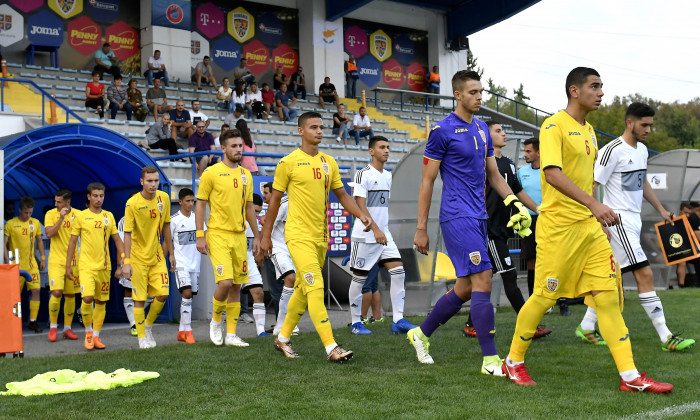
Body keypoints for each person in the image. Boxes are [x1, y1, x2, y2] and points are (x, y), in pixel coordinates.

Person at [501, 67, 673, 393]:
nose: (601, 92)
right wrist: (596, 206)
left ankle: (630, 376)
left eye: (602, 86)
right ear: (574, 90)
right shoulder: (553, 126)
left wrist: (595, 217)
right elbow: (552, 174)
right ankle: (513, 361)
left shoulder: (591, 132)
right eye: (594, 86)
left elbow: (586, 182)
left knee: (608, 298)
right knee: (544, 297)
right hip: (558, 230)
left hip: (589, 230)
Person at [410, 70, 531, 375]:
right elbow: (427, 182)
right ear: (458, 95)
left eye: (481, 92)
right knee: (484, 279)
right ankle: (490, 360)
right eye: (474, 92)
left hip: (480, 217)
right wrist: (421, 228)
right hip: (456, 216)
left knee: (465, 287)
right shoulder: (441, 131)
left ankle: (420, 334)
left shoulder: (481, 129)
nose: (479, 97)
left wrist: (515, 203)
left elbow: (495, 176)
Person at [573, 102, 694, 352]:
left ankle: (586, 325)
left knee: (609, 278)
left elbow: (643, 182)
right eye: (644, 124)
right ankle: (666, 337)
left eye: (651, 124)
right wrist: (598, 218)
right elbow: (592, 186)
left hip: (633, 220)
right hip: (617, 221)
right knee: (645, 274)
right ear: (630, 123)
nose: (649, 129)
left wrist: (661, 210)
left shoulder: (641, 151)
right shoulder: (612, 151)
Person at [260, 111, 373, 362]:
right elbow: (275, 202)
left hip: (322, 238)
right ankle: (331, 347)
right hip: (297, 236)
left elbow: (343, 196)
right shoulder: (288, 163)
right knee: (316, 287)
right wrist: (265, 237)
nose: (319, 131)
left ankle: (283, 338)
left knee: (302, 289)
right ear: (301, 131)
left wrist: (361, 215)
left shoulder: (328, 162)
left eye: (321, 127)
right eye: (313, 127)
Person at [461, 122, 548, 339]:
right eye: (498, 131)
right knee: (509, 277)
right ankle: (530, 326)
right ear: (487, 136)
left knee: (482, 279)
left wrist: (539, 210)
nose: (504, 133)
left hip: (502, 229)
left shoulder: (508, 164)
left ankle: (470, 324)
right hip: (488, 230)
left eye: (503, 130)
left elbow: (516, 192)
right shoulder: (480, 162)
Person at [196, 128, 260, 347]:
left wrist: (258, 236)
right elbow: (200, 204)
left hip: (239, 236)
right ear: (222, 148)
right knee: (225, 282)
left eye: (240, 146)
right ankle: (216, 321)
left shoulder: (246, 175)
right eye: (233, 146)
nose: (238, 150)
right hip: (218, 234)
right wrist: (200, 235)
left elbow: (249, 207)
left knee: (236, 286)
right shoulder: (211, 173)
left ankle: (231, 334)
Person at [347, 136, 417, 335]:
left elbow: (381, 206)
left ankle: (398, 320)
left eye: (388, 147)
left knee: (398, 272)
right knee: (359, 279)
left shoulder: (388, 175)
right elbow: (360, 204)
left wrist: (382, 230)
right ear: (371, 151)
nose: (386, 150)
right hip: (365, 235)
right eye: (382, 147)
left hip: (384, 235)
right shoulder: (363, 174)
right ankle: (355, 323)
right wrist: (375, 229)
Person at [66, 183, 124, 350]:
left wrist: (121, 264)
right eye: (95, 196)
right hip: (85, 267)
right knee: (87, 298)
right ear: (89, 197)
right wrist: (69, 265)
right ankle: (88, 332)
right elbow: (72, 243)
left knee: (101, 302)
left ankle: (96, 337)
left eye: (101, 196)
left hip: (104, 267)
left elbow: (118, 241)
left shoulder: (109, 216)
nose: (99, 199)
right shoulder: (81, 217)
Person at [122, 166, 174, 349]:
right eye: (149, 181)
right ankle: (142, 337)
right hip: (137, 258)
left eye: (156, 181)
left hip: (157, 256)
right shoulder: (132, 204)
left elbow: (166, 226)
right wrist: (126, 262)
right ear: (142, 182)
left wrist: (172, 254)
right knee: (139, 299)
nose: (153, 184)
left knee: (162, 294)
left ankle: (148, 326)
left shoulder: (164, 198)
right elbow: (127, 233)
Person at [4, 196, 46, 333]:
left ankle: (33, 321)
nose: (28, 215)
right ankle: (13, 323)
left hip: (31, 264)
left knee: (36, 290)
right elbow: (4, 244)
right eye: (25, 213)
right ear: (19, 210)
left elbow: (39, 241)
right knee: (14, 296)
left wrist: (43, 259)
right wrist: (7, 262)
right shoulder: (10, 224)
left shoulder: (35, 223)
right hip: (16, 265)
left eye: (30, 213)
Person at [261, 183, 298, 336]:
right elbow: (268, 225)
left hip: (295, 247)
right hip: (277, 247)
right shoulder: (283, 203)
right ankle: (285, 325)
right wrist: (263, 245)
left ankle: (281, 326)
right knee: (290, 278)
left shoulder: (307, 203)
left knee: (295, 285)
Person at [44, 190, 81, 342]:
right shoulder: (51, 214)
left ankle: (67, 329)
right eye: (55, 201)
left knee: (71, 295)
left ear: (68, 202)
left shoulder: (79, 215)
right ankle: (53, 327)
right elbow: (49, 234)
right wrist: (61, 218)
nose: (56, 204)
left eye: (59, 202)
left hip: (74, 262)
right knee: (57, 292)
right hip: (56, 261)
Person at [170, 188, 201, 344]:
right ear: (180, 201)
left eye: (192, 201)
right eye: (187, 201)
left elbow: (204, 238)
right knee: (187, 293)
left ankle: (182, 331)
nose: (191, 204)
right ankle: (188, 330)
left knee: (190, 296)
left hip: (195, 264)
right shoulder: (174, 220)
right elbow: (167, 242)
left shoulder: (197, 219)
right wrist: (169, 257)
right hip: (181, 263)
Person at [517, 137, 542, 297]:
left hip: (548, 220)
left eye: (528, 151)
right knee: (531, 260)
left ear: (539, 153)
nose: (525, 154)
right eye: (524, 151)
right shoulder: (521, 173)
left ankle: (560, 302)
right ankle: (534, 298)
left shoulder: (550, 171)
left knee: (551, 261)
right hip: (528, 221)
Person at [242, 193, 267, 336]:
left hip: (249, 262)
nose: (256, 214)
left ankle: (260, 331)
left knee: (258, 293)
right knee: (227, 295)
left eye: (258, 212)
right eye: (254, 211)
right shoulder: (236, 220)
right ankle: (222, 329)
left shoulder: (256, 223)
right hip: (233, 261)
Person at [117, 191, 141, 336]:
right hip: (130, 260)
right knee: (128, 291)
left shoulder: (148, 215)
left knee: (154, 293)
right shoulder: (123, 221)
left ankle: (139, 318)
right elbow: (121, 243)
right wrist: (122, 264)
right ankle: (134, 323)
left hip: (147, 260)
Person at [676, 202, 700, 288]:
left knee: (683, 258)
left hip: (681, 250)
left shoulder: (686, 223)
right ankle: (670, 284)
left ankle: (681, 285)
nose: (687, 215)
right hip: (663, 250)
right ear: (679, 211)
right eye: (685, 212)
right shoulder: (670, 222)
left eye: (689, 213)